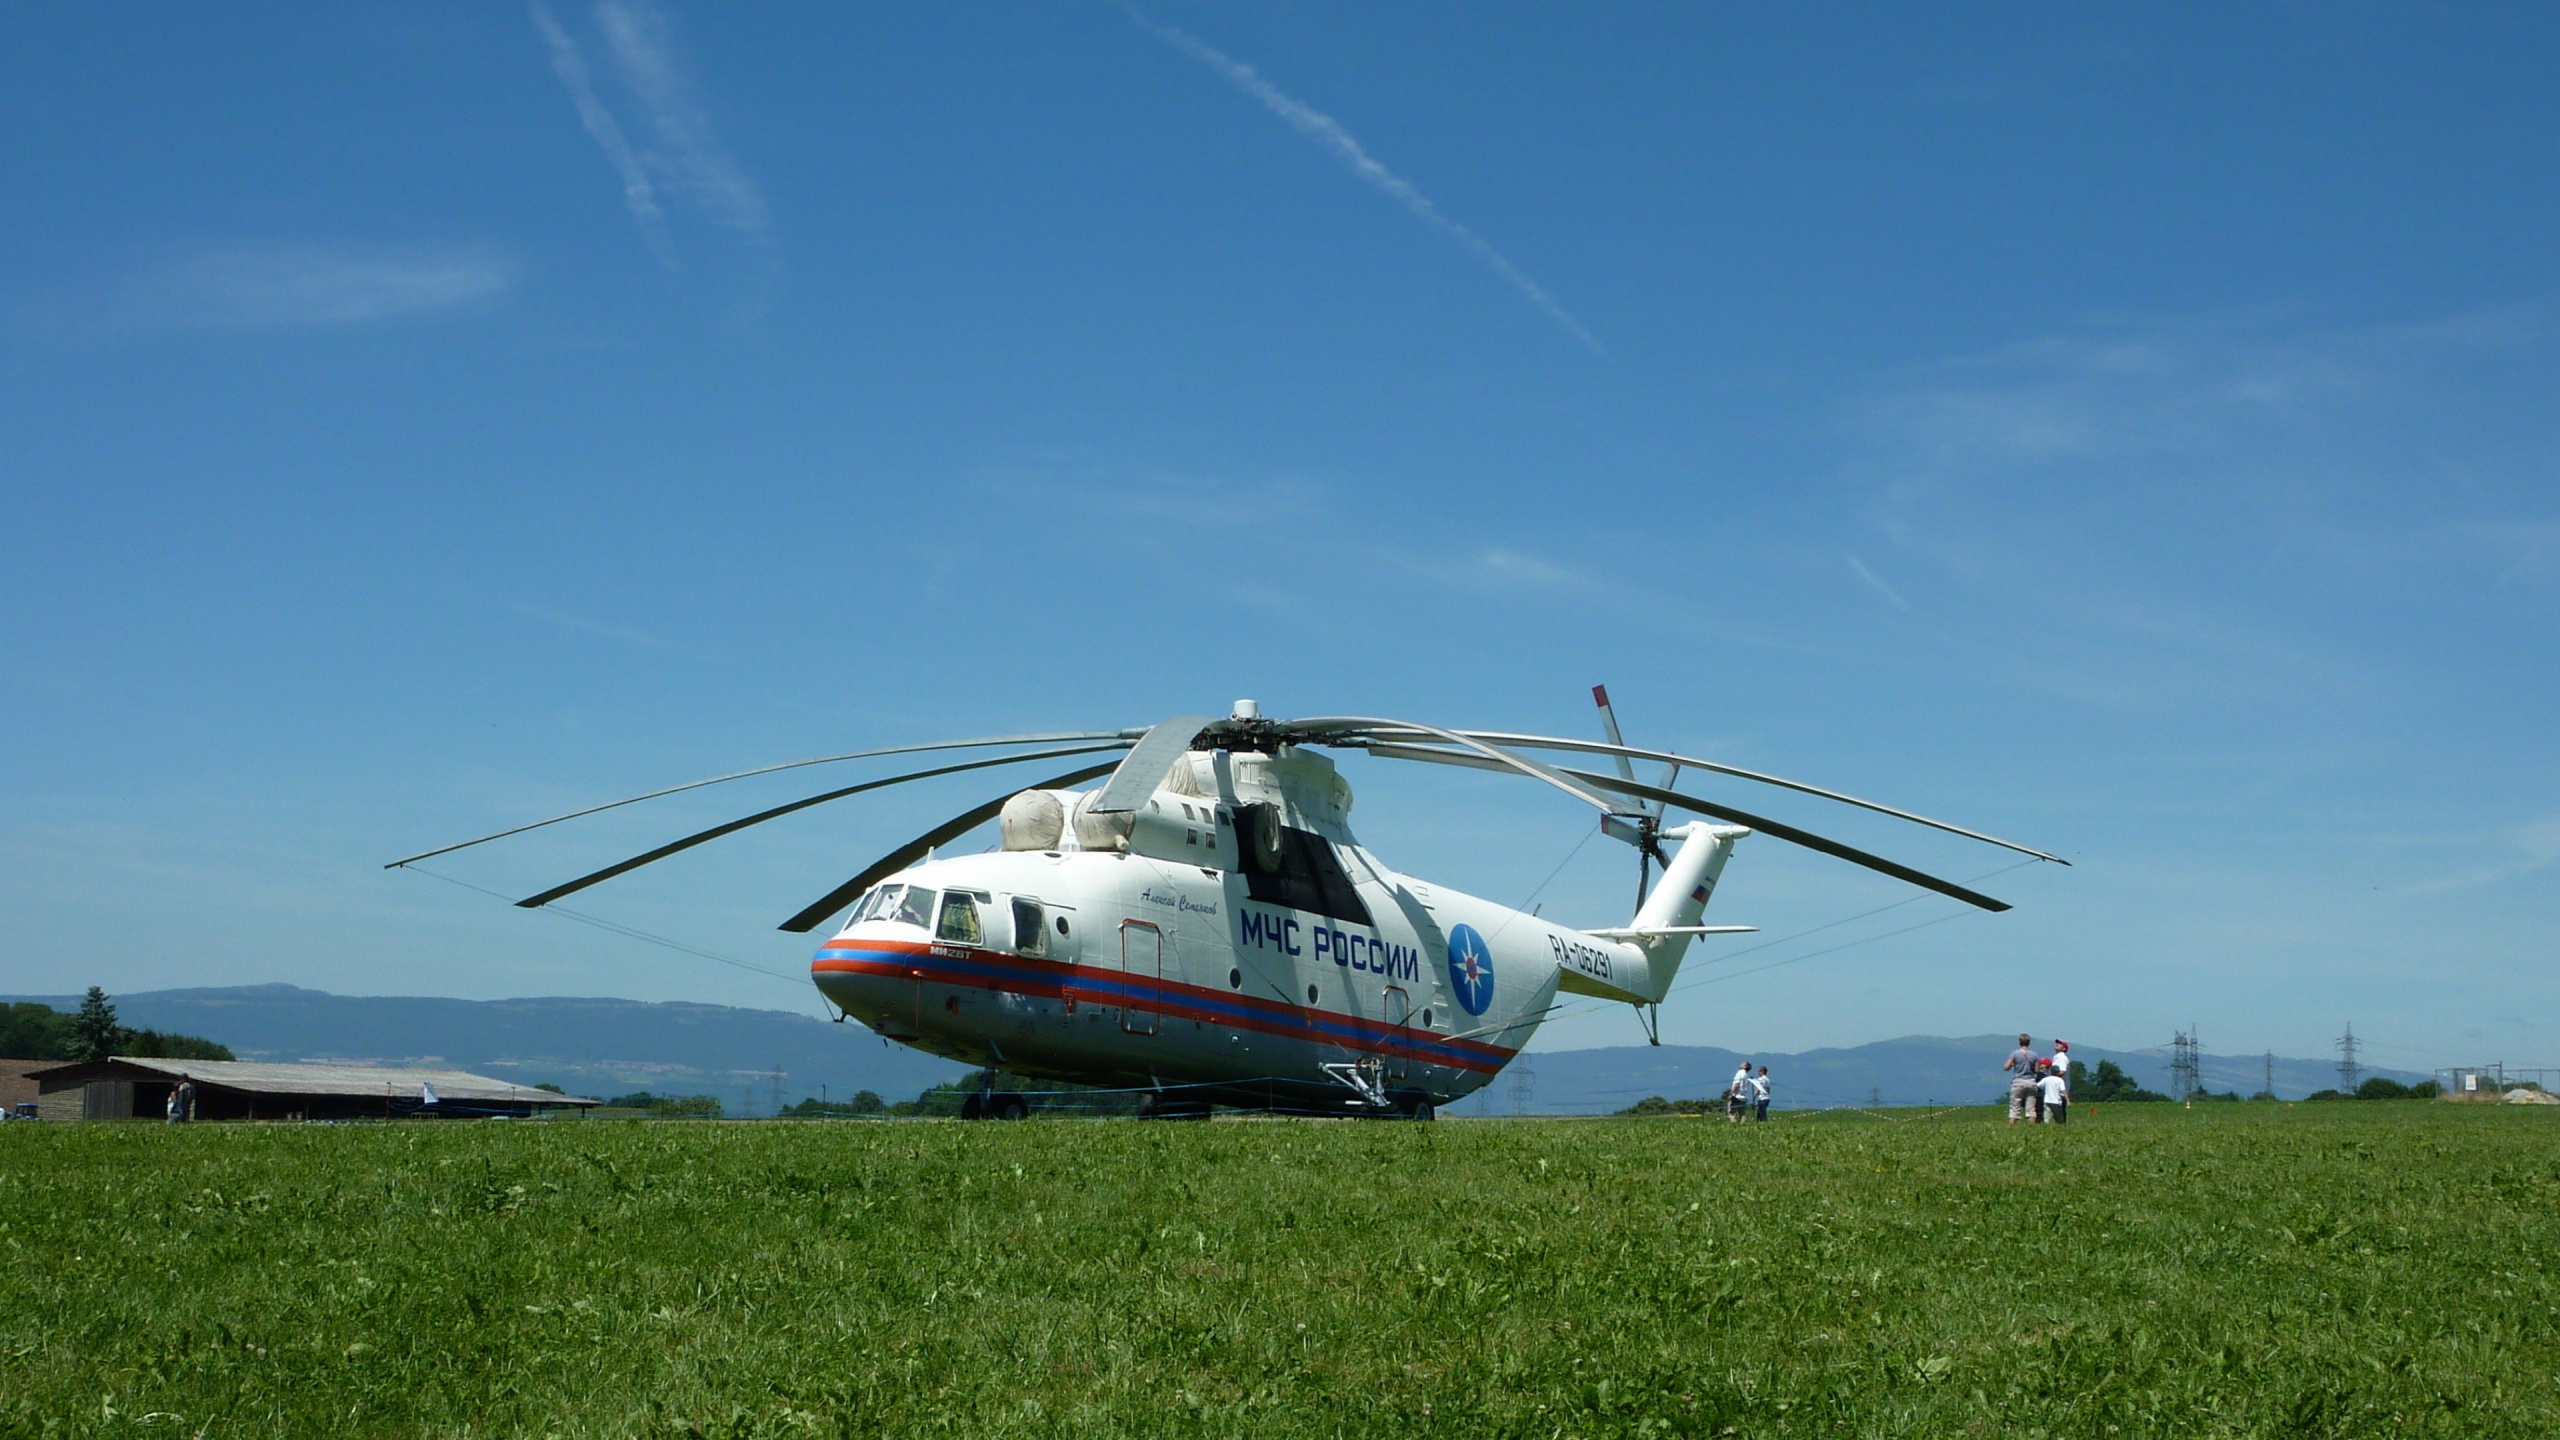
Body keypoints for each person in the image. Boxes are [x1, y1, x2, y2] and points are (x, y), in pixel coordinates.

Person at [2004, 1034, 2039, 1124]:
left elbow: (2006, 1067)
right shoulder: (2034, 1055)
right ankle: (2032, 1128)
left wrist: (2013, 1065)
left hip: (2018, 1081)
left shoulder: (2015, 1053)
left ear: (2019, 1042)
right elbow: (2037, 1070)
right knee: (2031, 1108)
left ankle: (2011, 1127)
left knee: (2015, 1107)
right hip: (2031, 1081)